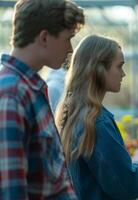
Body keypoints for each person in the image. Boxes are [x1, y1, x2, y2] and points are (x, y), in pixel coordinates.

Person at [55, 35, 138, 200]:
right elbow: (128, 187)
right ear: (98, 69)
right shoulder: (97, 122)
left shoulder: (73, 113)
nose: (123, 74)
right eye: (119, 67)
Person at [0, 0, 84, 199]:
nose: (71, 49)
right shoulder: (13, 96)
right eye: (67, 38)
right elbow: (12, 192)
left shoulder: (29, 88)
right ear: (45, 37)